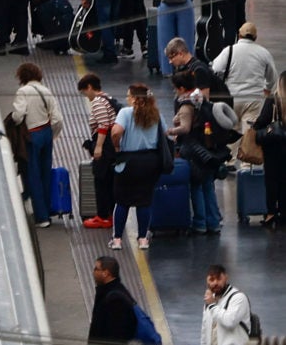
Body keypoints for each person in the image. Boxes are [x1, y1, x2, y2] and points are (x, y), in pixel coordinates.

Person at [166, 71, 223, 235]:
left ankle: (200, 223)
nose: (175, 91)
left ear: (182, 88)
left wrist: (169, 131)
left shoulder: (185, 105)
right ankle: (213, 222)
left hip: (193, 150)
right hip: (208, 148)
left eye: (175, 88)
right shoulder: (201, 99)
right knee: (208, 187)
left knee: (196, 186)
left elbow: (185, 128)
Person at [109, 83, 162, 249]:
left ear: (134, 98)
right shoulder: (155, 115)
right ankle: (142, 239)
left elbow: (116, 131)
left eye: (129, 96)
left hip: (128, 161)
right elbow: (165, 133)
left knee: (122, 201)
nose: (127, 99)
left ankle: (117, 239)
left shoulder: (125, 112)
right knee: (144, 201)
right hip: (150, 161)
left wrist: (116, 146)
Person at [11, 62, 63, 227]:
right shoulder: (46, 90)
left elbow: (18, 116)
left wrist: (13, 116)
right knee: (45, 172)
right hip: (46, 133)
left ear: (22, 76)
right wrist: (53, 135)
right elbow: (57, 118)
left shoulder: (23, 92)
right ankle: (47, 209)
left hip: (32, 135)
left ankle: (41, 217)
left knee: (33, 175)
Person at [211, 22, 275, 148]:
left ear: (239, 35)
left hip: (232, 97)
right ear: (255, 37)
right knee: (249, 132)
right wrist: (266, 89)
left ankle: (229, 162)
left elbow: (215, 69)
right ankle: (247, 164)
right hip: (254, 99)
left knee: (231, 131)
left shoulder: (228, 50)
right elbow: (272, 77)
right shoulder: (263, 53)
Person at [78, 74, 118, 228]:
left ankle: (103, 216)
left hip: (105, 147)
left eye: (84, 92)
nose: (85, 96)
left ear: (89, 87)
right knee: (110, 180)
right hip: (112, 146)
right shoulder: (108, 98)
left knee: (100, 180)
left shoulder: (98, 102)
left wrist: (99, 147)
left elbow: (103, 124)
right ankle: (111, 214)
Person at [254, 72, 286, 225]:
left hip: (273, 148)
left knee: (272, 181)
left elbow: (260, 123)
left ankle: (271, 212)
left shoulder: (272, 101)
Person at [164, 37, 215, 101]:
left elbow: (204, 99)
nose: (170, 62)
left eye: (171, 58)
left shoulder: (199, 69)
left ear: (181, 54)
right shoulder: (182, 70)